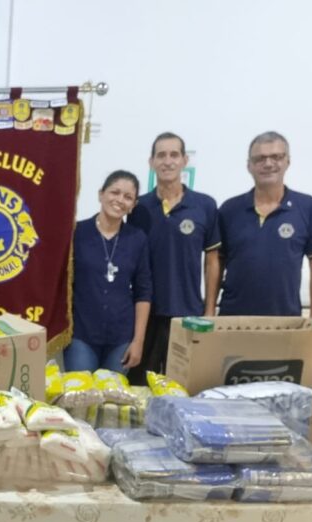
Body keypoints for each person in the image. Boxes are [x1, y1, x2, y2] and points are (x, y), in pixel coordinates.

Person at [127, 132, 221, 380]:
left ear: (184, 160)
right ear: (151, 162)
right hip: (146, 316)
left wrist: (209, 311)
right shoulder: (138, 208)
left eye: (174, 155)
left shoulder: (205, 205)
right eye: (161, 155)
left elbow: (212, 260)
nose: (167, 161)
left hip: (187, 314)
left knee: (182, 387)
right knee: (139, 386)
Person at [216, 131, 312, 317]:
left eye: (276, 157)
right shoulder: (229, 210)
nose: (268, 164)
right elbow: (216, 262)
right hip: (233, 319)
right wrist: (209, 311)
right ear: (249, 166)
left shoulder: (310, 208)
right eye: (260, 158)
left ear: (288, 161)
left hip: (285, 321)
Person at [66, 170, 152, 373]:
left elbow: (143, 292)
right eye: (115, 192)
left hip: (121, 338)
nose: (120, 200)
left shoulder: (137, 239)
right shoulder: (77, 233)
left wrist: (138, 341)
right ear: (101, 194)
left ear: (133, 205)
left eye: (128, 197)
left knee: (113, 394)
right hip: (81, 335)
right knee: (79, 392)